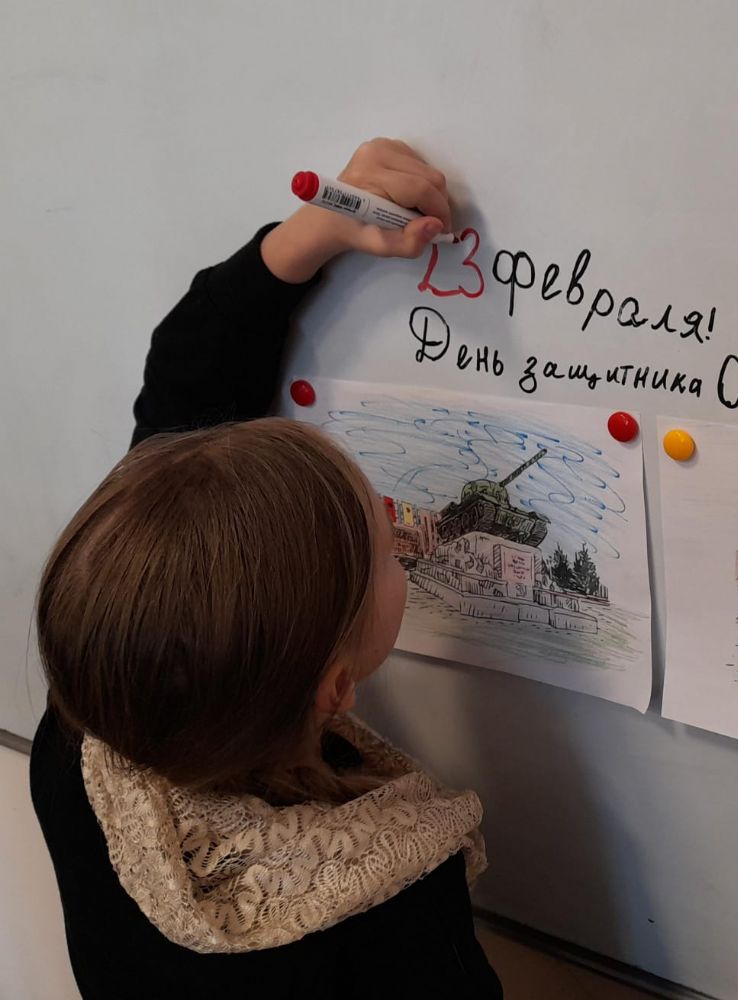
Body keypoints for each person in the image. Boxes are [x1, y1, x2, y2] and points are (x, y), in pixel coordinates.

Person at [29, 138, 503, 999]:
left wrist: (314, 230)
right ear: (334, 688)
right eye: (385, 552)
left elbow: (184, 403)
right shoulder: (390, 905)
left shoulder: (83, 740)